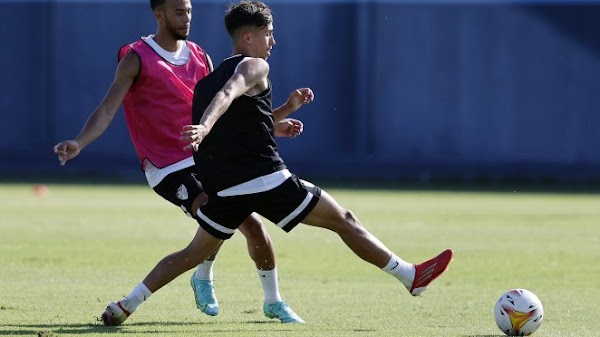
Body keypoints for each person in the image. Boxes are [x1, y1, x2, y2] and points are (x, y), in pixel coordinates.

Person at [177, 0, 453, 316]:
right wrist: (204, 127)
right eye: (268, 33)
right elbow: (226, 98)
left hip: (233, 180)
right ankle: (409, 275)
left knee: (209, 246)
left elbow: (247, 123)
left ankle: (136, 300)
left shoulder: (219, 75)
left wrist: (287, 110)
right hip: (261, 177)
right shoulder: (251, 68)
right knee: (342, 220)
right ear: (248, 38)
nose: (273, 41)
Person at [53, 0, 308, 325]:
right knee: (209, 212)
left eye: (188, 10)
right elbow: (107, 109)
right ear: (158, 14)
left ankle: (273, 301)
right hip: (167, 167)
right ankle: (199, 276)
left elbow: (228, 113)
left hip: (206, 158)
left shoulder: (200, 56)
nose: (186, 17)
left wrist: (273, 124)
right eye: (178, 11)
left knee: (254, 226)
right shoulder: (136, 57)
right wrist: (79, 142)